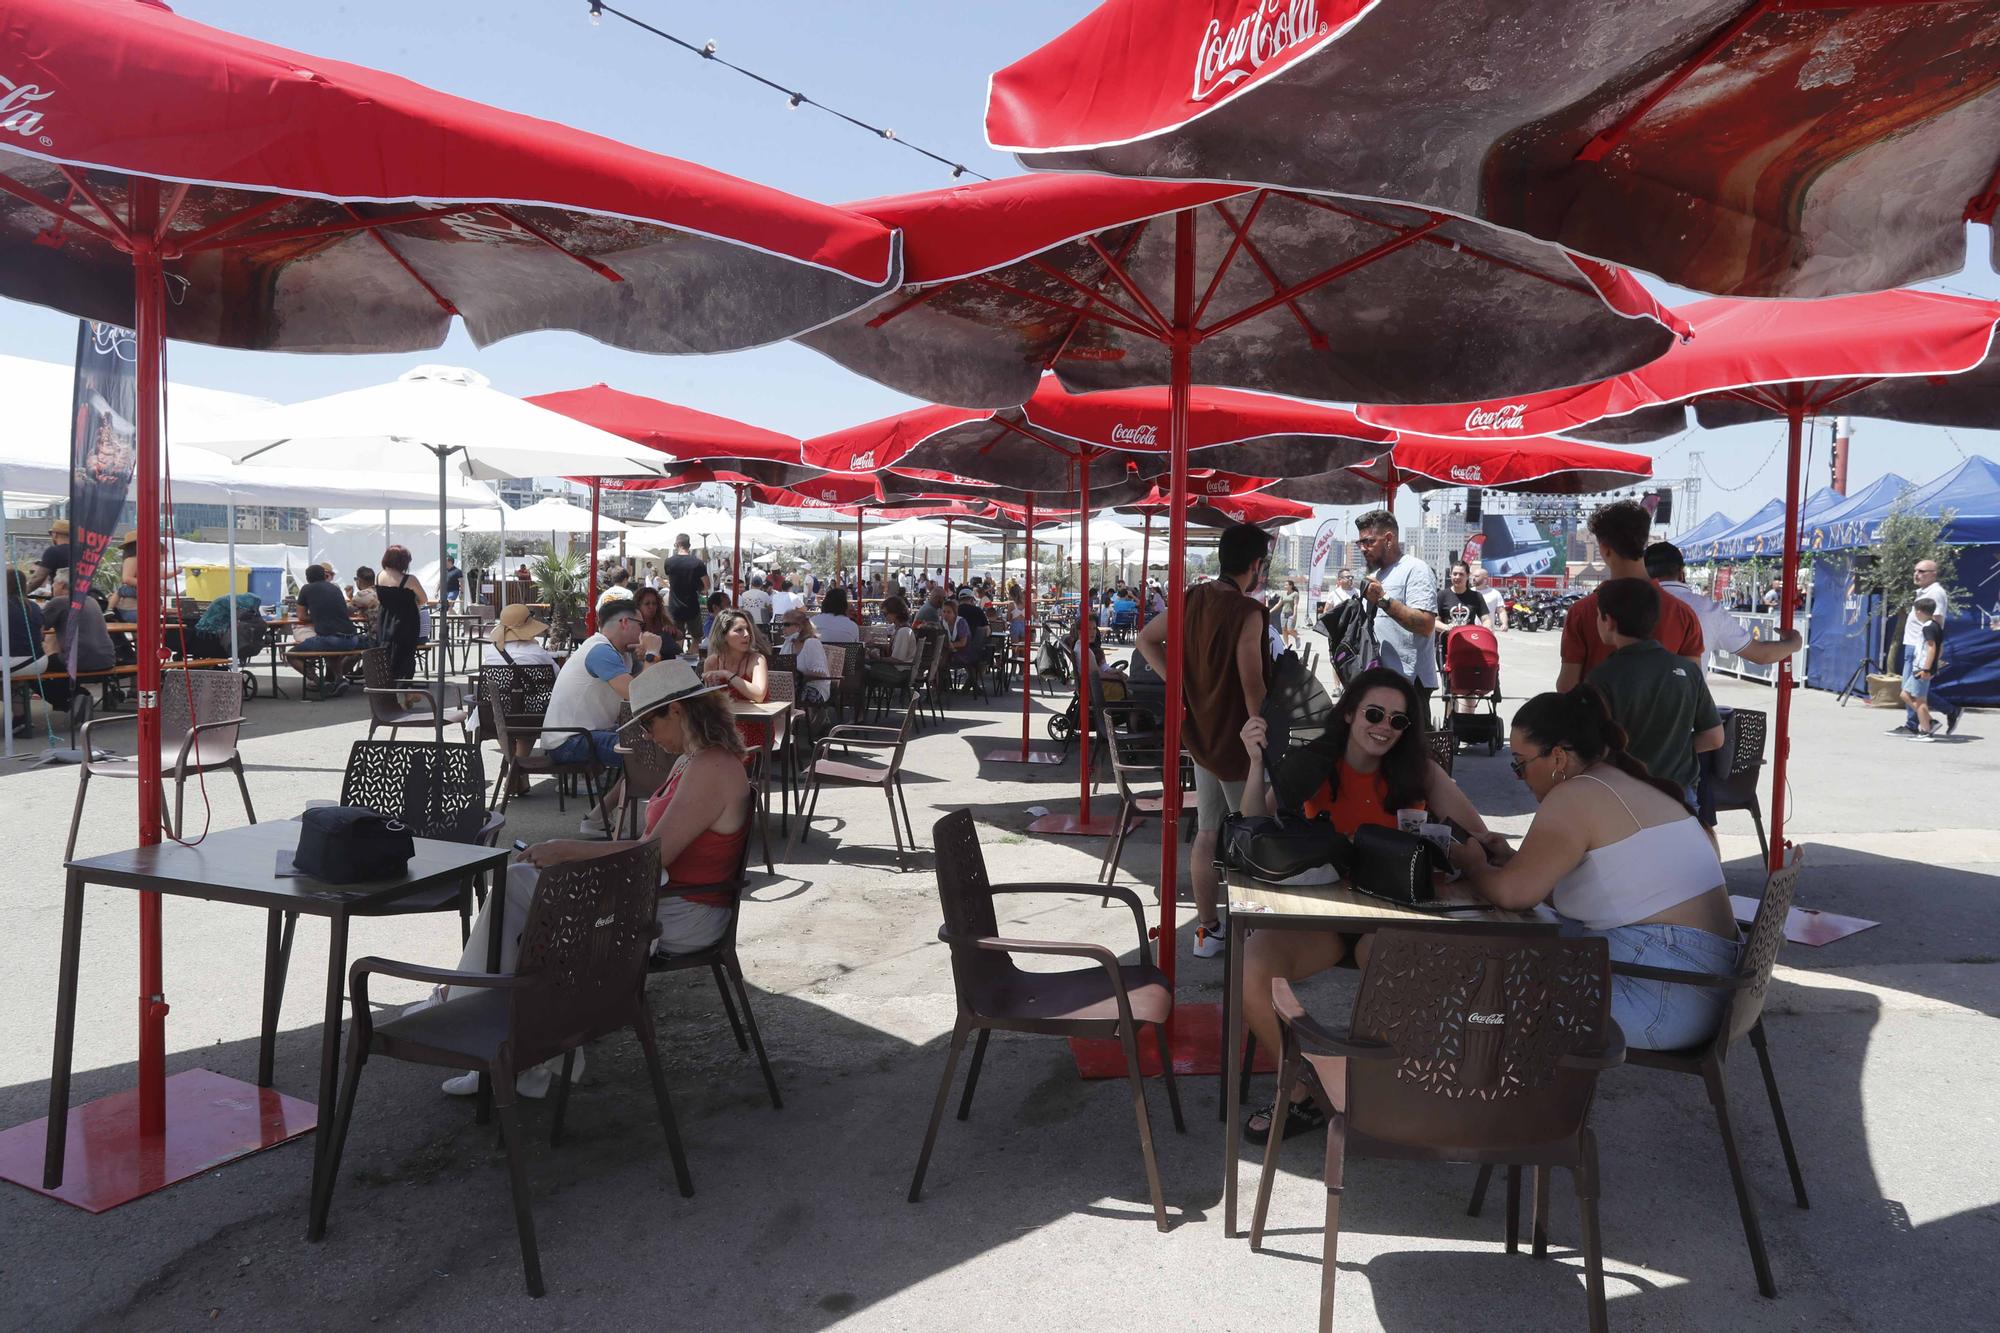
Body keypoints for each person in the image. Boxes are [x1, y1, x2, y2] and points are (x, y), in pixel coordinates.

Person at [418, 660, 750, 1098]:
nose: (647, 735)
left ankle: (479, 1026)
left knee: (522, 891)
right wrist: (578, 853)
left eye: (648, 722)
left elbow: (654, 854)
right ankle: (508, 1044)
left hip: (686, 911)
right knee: (524, 893)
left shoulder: (710, 767)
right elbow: (652, 848)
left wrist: (572, 850)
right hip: (666, 895)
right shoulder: (695, 760)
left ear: (677, 711)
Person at [1232, 667, 1510, 1142]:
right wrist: (1256, 765)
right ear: (1349, 714)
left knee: (1397, 974)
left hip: (1390, 918)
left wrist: (1488, 848)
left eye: (1398, 721)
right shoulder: (1315, 762)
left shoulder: (1419, 770)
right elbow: (1257, 825)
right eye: (1374, 714)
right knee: (1250, 967)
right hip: (1322, 915)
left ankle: (1377, 1089)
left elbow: (1475, 832)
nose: (1384, 727)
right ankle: (1303, 1085)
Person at [1450, 687, 1741, 1053]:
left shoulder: (1577, 795)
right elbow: (1597, 886)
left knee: (1487, 993)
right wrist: (1511, 859)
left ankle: (1483, 1102)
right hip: (1699, 986)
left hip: (1664, 998)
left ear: (1557, 757)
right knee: (1516, 956)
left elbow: (1512, 894)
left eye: (1520, 764)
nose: (1518, 777)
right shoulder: (1620, 781)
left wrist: (1473, 863)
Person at [1136, 521, 1272, 961]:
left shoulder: (1191, 598)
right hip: (1236, 739)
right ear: (1255, 565)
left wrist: (1179, 686)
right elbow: (1252, 680)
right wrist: (1262, 729)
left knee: (1209, 831)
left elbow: (1145, 639)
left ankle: (1206, 931)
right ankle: (1252, 933)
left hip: (1199, 734)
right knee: (1252, 830)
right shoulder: (1247, 611)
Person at [1585, 579, 1724, 803]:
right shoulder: (1688, 671)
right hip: (1680, 797)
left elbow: (1592, 748)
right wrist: (1674, 748)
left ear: (1608, 620)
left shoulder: (1601, 677)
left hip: (1622, 798)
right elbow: (1714, 737)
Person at [1558, 501, 1702, 690]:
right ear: (1644, 542)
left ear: (1605, 549)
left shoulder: (1582, 612)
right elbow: (1693, 688)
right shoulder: (1683, 614)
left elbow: (1567, 687)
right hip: (1663, 720)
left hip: (1595, 718)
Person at [544, 599, 656, 837]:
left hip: (587, 734)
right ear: (625, 622)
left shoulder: (617, 653)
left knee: (650, 749)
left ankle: (597, 818)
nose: (643, 632)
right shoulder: (600, 651)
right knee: (646, 755)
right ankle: (600, 820)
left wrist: (645, 657)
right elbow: (639, 693)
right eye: (641, 625)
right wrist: (652, 653)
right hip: (570, 740)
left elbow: (650, 685)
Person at [1644, 542, 1802, 673]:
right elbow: (1761, 655)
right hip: (1688, 705)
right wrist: (1793, 643)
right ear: (1681, 572)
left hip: (1633, 706)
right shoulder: (1707, 609)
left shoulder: (1630, 605)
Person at [1354, 510, 1440, 703]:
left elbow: (1425, 624)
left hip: (1409, 683)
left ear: (1389, 539)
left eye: (1369, 542)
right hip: (1381, 681)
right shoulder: (1378, 575)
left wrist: (1384, 600)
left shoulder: (1415, 569)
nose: (1363, 548)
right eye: (1360, 543)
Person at [1893, 558, 1960, 735]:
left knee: (1910, 690)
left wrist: (1934, 657)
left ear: (1933, 574)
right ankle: (1948, 711)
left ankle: (1915, 725)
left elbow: (1936, 624)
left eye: (1922, 571)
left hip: (1920, 649)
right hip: (1912, 646)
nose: (1917, 574)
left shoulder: (1935, 593)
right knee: (1912, 689)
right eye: (1916, 570)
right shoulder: (1922, 592)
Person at [39, 569, 117, 711]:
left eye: (54, 584)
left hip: (79, 661)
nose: (52, 587)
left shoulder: (59, 602)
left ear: (62, 585)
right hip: (107, 659)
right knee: (53, 662)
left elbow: (37, 628)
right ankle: (76, 696)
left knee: (33, 670)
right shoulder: (91, 600)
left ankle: (74, 699)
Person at [286, 562, 366, 679]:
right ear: (324, 576)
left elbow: (301, 616)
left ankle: (317, 682)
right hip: (352, 638)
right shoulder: (335, 588)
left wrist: (317, 617)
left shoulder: (306, 589)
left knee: (291, 654)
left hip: (332, 639)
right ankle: (338, 680)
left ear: (308, 578)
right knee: (330, 652)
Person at [373, 544, 427, 686]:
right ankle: (404, 688)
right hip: (406, 621)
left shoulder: (379, 576)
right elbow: (423, 599)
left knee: (386, 651)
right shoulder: (410, 580)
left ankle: (387, 685)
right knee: (406, 654)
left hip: (385, 619)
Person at [1899, 597, 1947, 740]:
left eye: (1915, 612)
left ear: (1919, 611)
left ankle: (1926, 731)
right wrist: (1935, 664)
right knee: (1905, 695)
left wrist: (1927, 669)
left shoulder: (1928, 627)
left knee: (1920, 700)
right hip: (1920, 667)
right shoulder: (1935, 625)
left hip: (1921, 668)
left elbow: (1932, 648)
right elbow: (1940, 647)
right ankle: (1930, 722)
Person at [7, 569, 44, 735]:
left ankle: (20, 717)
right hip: (38, 661)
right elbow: (41, 634)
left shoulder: (2, 605)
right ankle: (19, 719)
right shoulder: (33, 606)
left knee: (7, 676)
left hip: (14, 662)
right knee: (11, 680)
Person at [778, 605, 833, 702]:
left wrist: (798, 674)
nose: (783, 628)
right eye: (782, 624)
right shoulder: (788, 643)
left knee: (786, 692)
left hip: (814, 689)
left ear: (798, 627)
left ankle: (791, 716)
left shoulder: (811, 643)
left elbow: (820, 674)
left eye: (786, 624)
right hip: (790, 686)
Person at [865, 596, 920, 691]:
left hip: (900, 673)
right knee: (865, 667)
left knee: (863, 669)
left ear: (895, 613)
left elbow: (896, 659)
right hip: (902, 670)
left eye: (885, 613)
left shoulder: (904, 632)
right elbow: (895, 650)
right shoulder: (900, 628)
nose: (884, 616)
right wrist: (877, 645)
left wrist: (877, 658)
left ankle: (859, 702)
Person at [482, 603, 557, 669]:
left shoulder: (491, 651)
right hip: (531, 685)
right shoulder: (537, 652)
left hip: (499, 685)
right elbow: (556, 673)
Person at [663, 533, 709, 639]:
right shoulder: (698, 563)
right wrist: (700, 590)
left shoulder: (669, 562)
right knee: (697, 638)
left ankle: (679, 655)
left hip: (674, 606)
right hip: (692, 605)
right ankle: (692, 655)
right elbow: (707, 585)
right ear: (689, 545)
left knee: (677, 638)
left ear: (676, 545)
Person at [631, 585, 681, 658]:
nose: (651, 607)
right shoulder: (633, 625)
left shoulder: (661, 620)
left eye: (654, 604)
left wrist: (673, 631)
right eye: (647, 604)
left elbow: (681, 636)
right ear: (638, 606)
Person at [1436, 561, 1490, 627]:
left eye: (1461, 574)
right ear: (1450, 575)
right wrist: (1447, 628)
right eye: (1455, 574)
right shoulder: (1441, 595)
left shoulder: (1476, 596)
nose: (1457, 577)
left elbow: (1485, 619)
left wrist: (1487, 627)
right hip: (1447, 636)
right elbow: (1435, 621)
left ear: (1468, 575)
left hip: (1469, 636)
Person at [26, 518, 70, 595]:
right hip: (84, 598)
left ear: (55, 534)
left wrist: (22, 593)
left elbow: (39, 578)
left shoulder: (53, 551)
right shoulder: (82, 552)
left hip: (63, 599)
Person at [1471, 566, 1507, 630]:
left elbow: (1501, 611)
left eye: (1476, 576)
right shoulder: (1469, 592)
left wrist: (1504, 624)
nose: (1473, 578)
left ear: (1485, 578)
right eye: (1473, 576)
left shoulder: (1495, 593)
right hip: (1470, 631)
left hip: (1487, 632)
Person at [350, 566, 381, 639]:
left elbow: (345, 610)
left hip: (374, 640)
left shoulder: (361, 595)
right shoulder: (381, 592)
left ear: (359, 580)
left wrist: (350, 598)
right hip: (388, 640)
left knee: (347, 640)